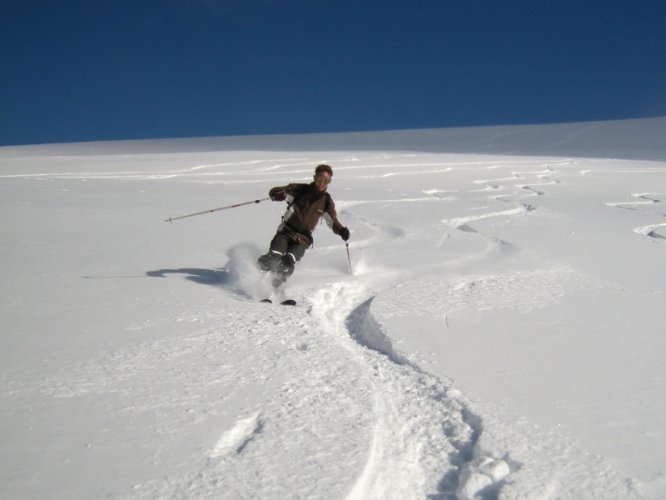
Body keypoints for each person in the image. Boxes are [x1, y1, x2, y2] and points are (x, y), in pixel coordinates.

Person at [257, 164, 350, 286]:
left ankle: (275, 285)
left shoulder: (326, 201)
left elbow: (332, 221)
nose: (322, 183)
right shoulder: (299, 190)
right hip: (286, 232)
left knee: (288, 262)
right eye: (319, 179)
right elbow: (276, 191)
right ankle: (257, 271)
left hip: (303, 239)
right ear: (314, 177)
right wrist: (279, 194)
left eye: (326, 181)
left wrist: (341, 230)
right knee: (274, 257)